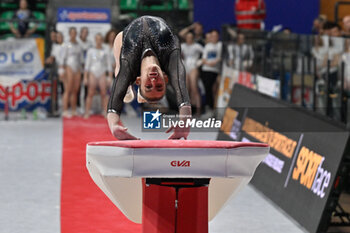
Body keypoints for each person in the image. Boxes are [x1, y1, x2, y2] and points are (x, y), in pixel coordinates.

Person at [107, 16, 191, 140]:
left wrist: (114, 127)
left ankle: (129, 86)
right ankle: (132, 89)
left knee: (121, 72)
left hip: (124, 41)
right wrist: (185, 122)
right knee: (123, 80)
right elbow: (180, 87)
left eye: (148, 87)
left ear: (139, 80)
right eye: (159, 86)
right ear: (165, 78)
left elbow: (114, 102)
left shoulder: (129, 62)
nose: (153, 81)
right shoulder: (170, 58)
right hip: (160, 45)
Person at [84, 33, 113, 118]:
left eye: (100, 39)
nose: (98, 41)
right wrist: (85, 77)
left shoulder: (105, 51)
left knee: (104, 94)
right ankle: (87, 112)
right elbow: (87, 65)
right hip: (93, 73)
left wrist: (110, 77)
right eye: (97, 39)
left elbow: (108, 65)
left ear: (102, 40)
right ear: (95, 40)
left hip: (102, 73)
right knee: (90, 93)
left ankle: (105, 112)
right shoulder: (90, 51)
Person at [61, 27, 84, 117]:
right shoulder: (66, 45)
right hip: (69, 66)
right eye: (72, 33)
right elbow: (63, 58)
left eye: (75, 33)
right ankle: (65, 110)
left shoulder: (79, 45)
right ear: (70, 34)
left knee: (75, 90)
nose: (73, 34)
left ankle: (73, 110)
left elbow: (81, 58)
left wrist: (82, 69)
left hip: (77, 67)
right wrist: (62, 70)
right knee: (68, 89)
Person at [181, 32, 203, 115]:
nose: (189, 39)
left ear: (193, 38)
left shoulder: (197, 46)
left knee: (194, 88)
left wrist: (199, 62)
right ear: (186, 38)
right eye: (187, 37)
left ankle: (198, 110)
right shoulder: (183, 46)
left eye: (190, 37)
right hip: (186, 68)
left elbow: (206, 54)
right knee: (186, 89)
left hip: (193, 67)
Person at [201, 30, 222, 110]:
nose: (214, 37)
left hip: (215, 70)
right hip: (206, 69)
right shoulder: (207, 46)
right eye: (212, 36)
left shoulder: (220, 45)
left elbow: (221, 57)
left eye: (215, 36)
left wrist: (215, 61)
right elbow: (203, 58)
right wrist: (208, 63)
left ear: (218, 37)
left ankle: (213, 107)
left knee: (214, 89)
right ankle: (209, 106)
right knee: (207, 88)